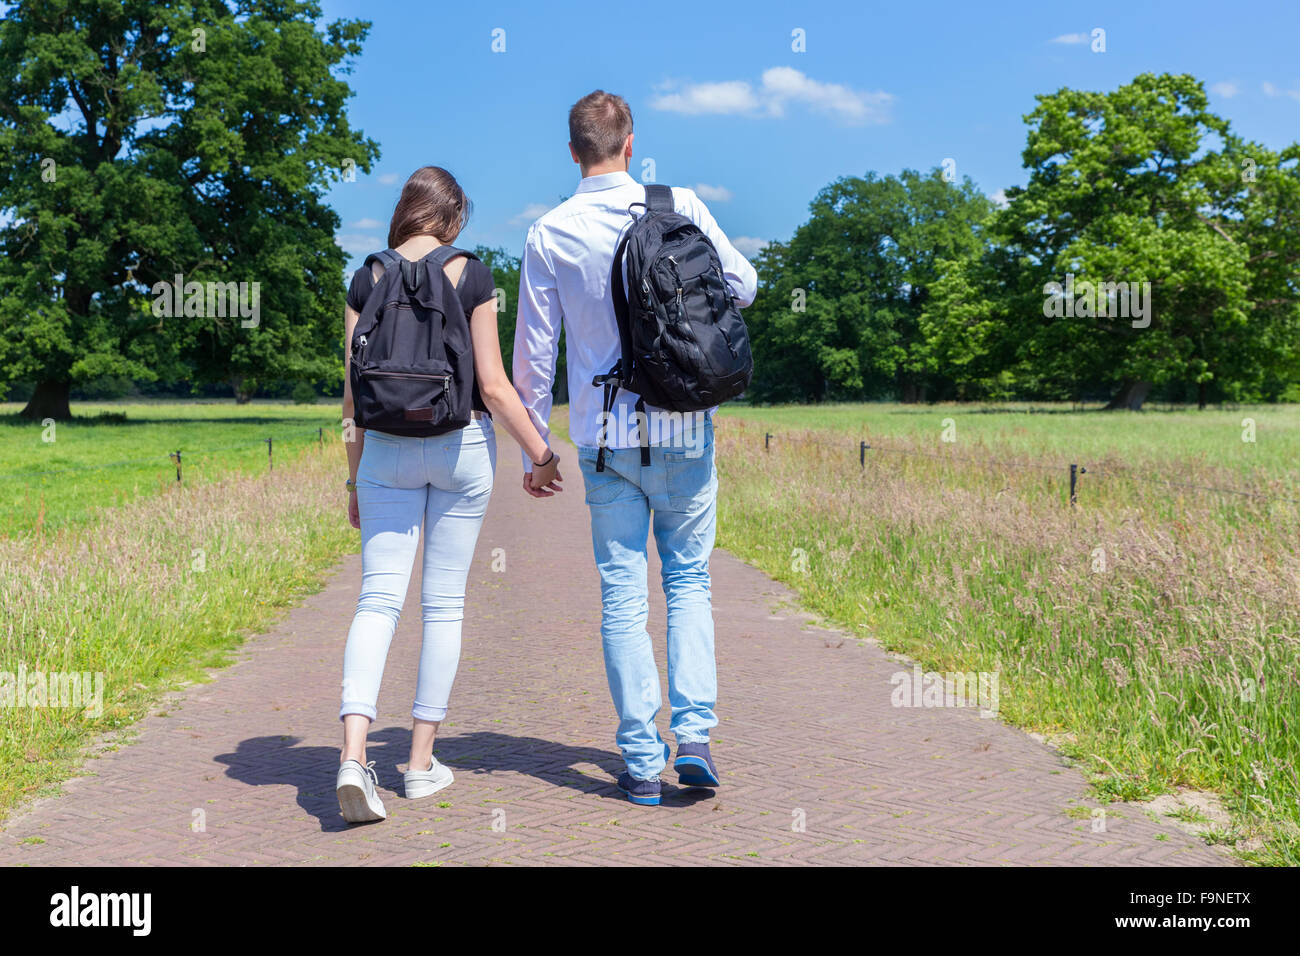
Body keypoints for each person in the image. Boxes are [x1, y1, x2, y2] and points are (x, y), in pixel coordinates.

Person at [513, 91, 757, 806]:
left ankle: (642, 763)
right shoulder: (675, 202)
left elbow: (535, 353)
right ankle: (697, 738)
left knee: (623, 596)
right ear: (630, 144)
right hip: (684, 424)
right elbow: (744, 282)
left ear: (571, 152)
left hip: (606, 435)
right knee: (689, 583)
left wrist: (536, 450)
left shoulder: (549, 231)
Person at [335, 166, 563, 824]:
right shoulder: (473, 272)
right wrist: (540, 454)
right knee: (443, 605)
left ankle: (353, 757)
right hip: (461, 446)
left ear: (407, 211)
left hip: (383, 453)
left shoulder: (365, 276)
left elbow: (352, 400)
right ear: (453, 219)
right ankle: (418, 765)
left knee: (377, 601)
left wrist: (355, 477)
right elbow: (493, 386)